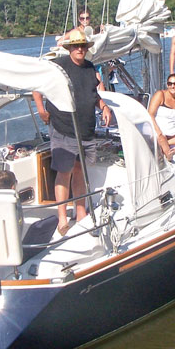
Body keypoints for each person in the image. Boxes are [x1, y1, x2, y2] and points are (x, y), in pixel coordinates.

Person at [34, 30, 112, 236]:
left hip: (86, 130)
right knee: (64, 172)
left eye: (83, 46)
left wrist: (103, 107)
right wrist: (41, 110)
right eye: (76, 45)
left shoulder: (90, 68)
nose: (80, 49)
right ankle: (62, 218)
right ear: (69, 48)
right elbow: (37, 85)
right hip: (63, 129)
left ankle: (80, 213)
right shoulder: (58, 66)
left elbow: (94, 94)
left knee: (80, 171)